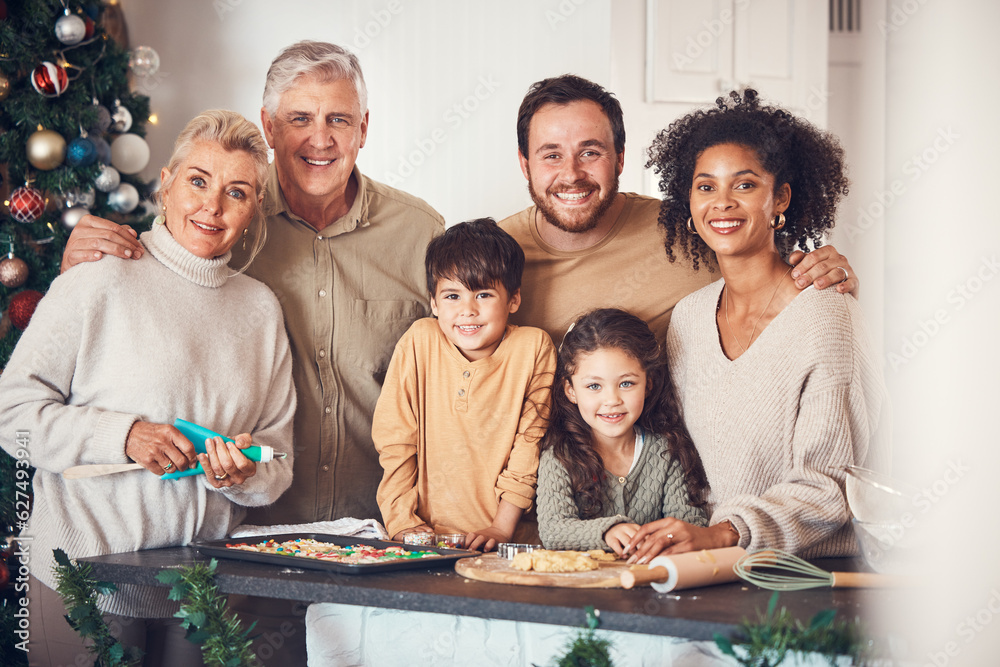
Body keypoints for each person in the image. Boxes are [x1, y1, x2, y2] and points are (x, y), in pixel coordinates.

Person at [60, 41, 444, 527]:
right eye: (300, 119)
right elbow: (145, 294)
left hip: (383, 524)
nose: (320, 140)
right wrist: (81, 263)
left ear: (363, 128)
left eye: (339, 120)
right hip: (243, 529)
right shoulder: (221, 223)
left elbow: (454, 378)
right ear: (269, 127)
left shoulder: (422, 233)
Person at [0, 110, 295, 666]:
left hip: (203, 593)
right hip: (83, 581)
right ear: (166, 183)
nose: (212, 206)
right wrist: (125, 436)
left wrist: (245, 475)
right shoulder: (101, 273)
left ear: (254, 208)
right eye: (198, 181)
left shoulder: (260, 309)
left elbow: (279, 454)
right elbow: (12, 413)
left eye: (237, 192)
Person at [624, 89, 887, 563]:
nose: (721, 203)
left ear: (779, 197)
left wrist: (725, 533)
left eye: (744, 185)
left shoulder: (828, 315)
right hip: (702, 565)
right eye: (706, 187)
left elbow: (831, 487)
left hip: (804, 578)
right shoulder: (689, 317)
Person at [499, 74, 861, 344]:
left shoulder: (686, 230)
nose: (572, 174)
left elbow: (774, 278)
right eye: (551, 155)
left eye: (590, 152)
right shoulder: (490, 256)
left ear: (620, 159)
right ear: (524, 163)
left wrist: (832, 279)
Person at [373, 219, 556, 552]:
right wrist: (402, 522)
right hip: (422, 537)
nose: (467, 311)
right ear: (434, 302)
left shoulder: (534, 348)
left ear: (513, 299)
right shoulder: (420, 341)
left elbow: (531, 444)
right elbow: (395, 438)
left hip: (508, 538)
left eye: (483, 294)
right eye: (453, 295)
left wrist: (501, 527)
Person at [536, 308, 707, 555]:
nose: (612, 400)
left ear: (648, 383)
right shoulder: (561, 455)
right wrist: (607, 531)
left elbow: (689, 524)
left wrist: (665, 538)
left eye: (626, 383)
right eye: (594, 386)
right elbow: (553, 530)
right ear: (571, 390)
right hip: (585, 586)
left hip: (651, 582)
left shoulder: (665, 451)